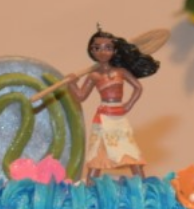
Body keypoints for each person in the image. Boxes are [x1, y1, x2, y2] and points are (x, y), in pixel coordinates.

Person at [67, 29, 159, 178]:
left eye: (108, 48)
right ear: (91, 51)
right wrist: (72, 84)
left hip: (119, 117)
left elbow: (138, 87)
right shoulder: (94, 75)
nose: (103, 52)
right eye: (97, 48)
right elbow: (80, 96)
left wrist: (128, 104)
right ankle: (90, 188)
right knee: (98, 154)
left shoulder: (120, 72)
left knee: (130, 151)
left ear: (114, 50)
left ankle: (142, 187)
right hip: (103, 117)